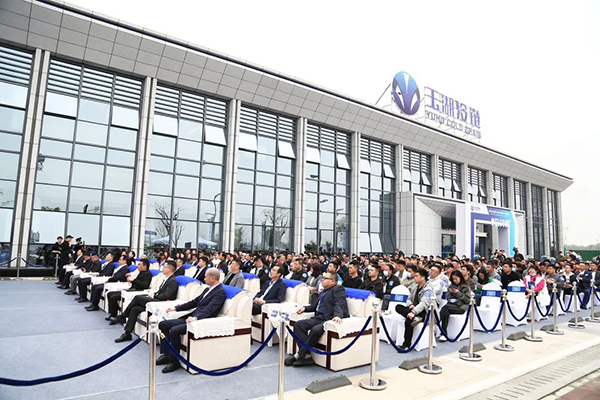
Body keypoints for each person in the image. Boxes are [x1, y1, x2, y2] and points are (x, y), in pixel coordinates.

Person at [157, 268, 226, 373]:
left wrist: (196, 318)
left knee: (175, 330)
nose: (204, 279)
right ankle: (166, 354)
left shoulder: (220, 292)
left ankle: (174, 362)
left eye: (206, 277)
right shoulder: (207, 289)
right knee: (163, 324)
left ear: (213, 278)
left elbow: (210, 309)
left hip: (199, 321)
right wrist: (176, 308)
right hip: (191, 318)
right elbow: (194, 302)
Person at [285, 272, 348, 366]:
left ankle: (299, 355)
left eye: (325, 278)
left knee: (315, 330)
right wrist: (305, 308)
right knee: (299, 325)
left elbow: (339, 303)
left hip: (329, 319)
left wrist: (338, 315)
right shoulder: (323, 291)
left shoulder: (338, 289)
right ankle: (306, 355)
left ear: (333, 281)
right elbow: (315, 306)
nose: (322, 280)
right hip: (318, 317)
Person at [112, 262, 179, 342]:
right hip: (157, 299)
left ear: (170, 269)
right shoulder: (166, 279)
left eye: (165, 267)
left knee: (138, 298)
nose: (163, 268)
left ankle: (123, 316)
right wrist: (152, 294)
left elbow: (166, 296)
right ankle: (127, 333)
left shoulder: (172, 281)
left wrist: (153, 296)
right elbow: (160, 292)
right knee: (135, 309)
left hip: (161, 302)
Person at [395, 268, 433, 350]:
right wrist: (411, 305)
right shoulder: (415, 287)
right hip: (413, 309)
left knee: (408, 320)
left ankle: (406, 344)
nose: (414, 277)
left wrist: (413, 312)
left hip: (424, 312)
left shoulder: (428, 289)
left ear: (423, 277)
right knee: (398, 307)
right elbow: (409, 299)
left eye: (416, 276)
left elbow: (424, 304)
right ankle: (414, 317)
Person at [438, 270, 472, 342]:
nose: (454, 281)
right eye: (453, 279)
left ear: (460, 278)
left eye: (456, 279)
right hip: (451, 305)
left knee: (446, 308)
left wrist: (458, 293)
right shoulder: (452, 286)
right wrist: (450, 293)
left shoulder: (465, 287)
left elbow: (467, 300)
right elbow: (448, 298)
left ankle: (437, 322)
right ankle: (443, 334)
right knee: (446, 313)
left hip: (461, 307)